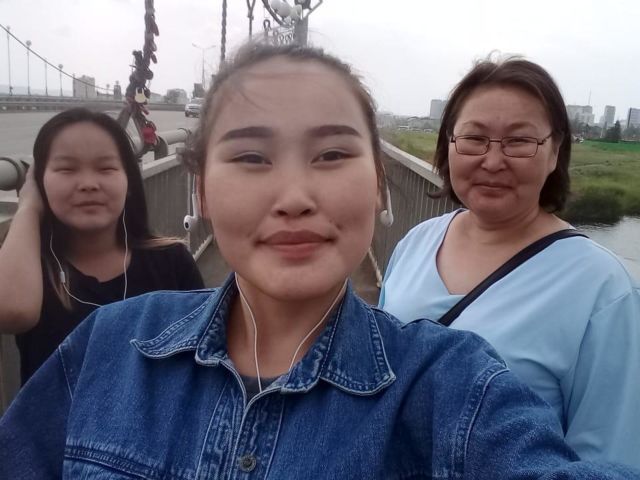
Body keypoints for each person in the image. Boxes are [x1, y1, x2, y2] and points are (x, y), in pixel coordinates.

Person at [1, 44, 638, 480]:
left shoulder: (454, 387)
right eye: (251, 157)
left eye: (332, 155)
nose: (295, 197)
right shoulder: (107, 347)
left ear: (379, 183)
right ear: (201, 190)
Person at [379, 57, 640, 468]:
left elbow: (608, 461)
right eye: (474, 138)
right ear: (449, 144)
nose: (492, 161)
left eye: (519, 141)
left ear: (554, 152)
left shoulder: (603, 289)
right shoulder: (417, 242)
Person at [0, 108, 204, 384]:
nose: (88, 184)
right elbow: (11, 312)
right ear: (40, 183)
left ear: (129, 182)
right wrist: (28, 207)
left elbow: (201, 355)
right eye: (66, 169)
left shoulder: (171, 261)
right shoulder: (31, 270)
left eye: (106, 168)